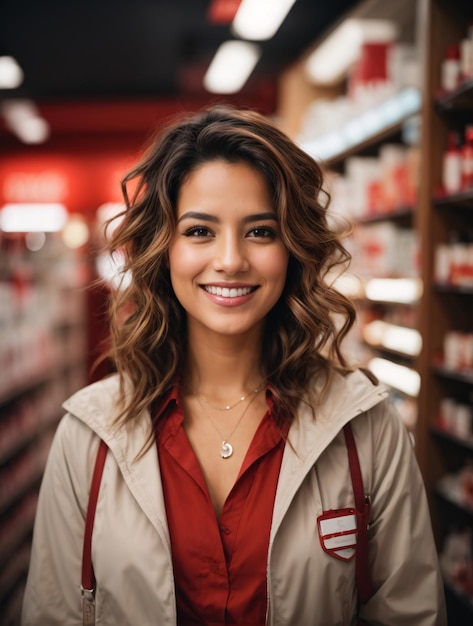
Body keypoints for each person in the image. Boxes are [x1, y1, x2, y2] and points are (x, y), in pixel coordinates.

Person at [22, 105, 446, 626]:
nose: (230, 260)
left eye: (260, 232)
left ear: (293, 248)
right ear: (164, 248)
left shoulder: (366, 429)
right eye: (200, 231)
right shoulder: (88, 437)